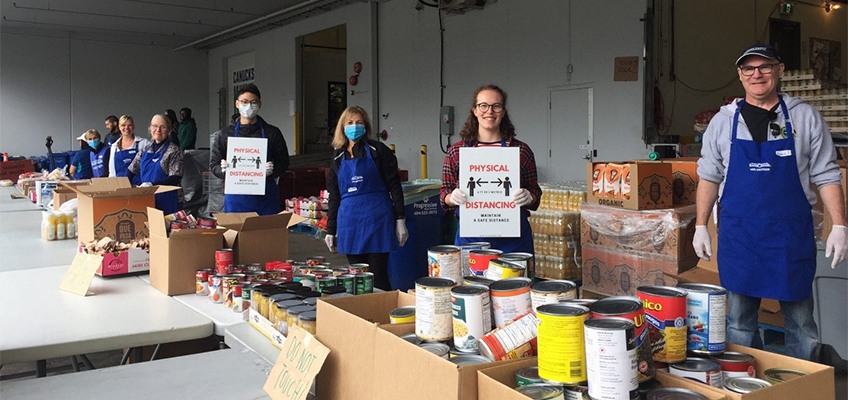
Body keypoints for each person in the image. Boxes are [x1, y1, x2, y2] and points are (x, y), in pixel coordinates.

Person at [693, 44, 848, 361]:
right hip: (740, 236)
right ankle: (749, 386)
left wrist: (840, 225)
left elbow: (827, 174)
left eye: (765, 66)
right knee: (738, 323)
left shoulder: (804, 118)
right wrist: (700, 226)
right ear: (740, 75)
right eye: (748, 68)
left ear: (780, 70)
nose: (757, 74)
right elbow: (709, 176)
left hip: (789, 236)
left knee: (802, 324)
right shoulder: (723, 123)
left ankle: (800, 386)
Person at [440, 84, 542, 254]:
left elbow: (535, 195)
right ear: (474, 110)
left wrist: (529, 196)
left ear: (503, 111)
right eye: (483, 106)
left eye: (496, 106)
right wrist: (452, 197)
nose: (489, 111)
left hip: (514, 238)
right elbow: (444, 196)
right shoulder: (457, 152)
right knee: (473, 281)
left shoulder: (521, 151)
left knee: (517, 281)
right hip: (472, 237)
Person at [324, 106, 407, 290]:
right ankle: (362, 316)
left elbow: (394, 185)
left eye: (359, 123)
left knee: (378, 276)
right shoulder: (337, 157)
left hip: (378, 220)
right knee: (357, 278)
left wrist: (400, 218)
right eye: (350, 123)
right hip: (350, 223)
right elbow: (334, 195)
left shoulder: (378, 150)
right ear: (342, 127)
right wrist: (331, 230)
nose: (355, 127)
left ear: (366, 126)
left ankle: (382, 313)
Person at [210, 84, 290, 215]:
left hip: (265, 198)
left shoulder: (272, 133)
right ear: (237, 104)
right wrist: (224, 171)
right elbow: (213, 164)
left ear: (260, 104)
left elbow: (284, 163)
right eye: (244, 102)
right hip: (236, 199)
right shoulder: (225, 134)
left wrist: (272, 171)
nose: (249, 106)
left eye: (253, 102)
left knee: (266, 234)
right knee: (237, 234)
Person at [126, 114, 183, 214]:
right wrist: (124, 189)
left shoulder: (174, 151)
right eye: (155, 126)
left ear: (169, 130)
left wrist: (152, 185)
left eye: (163, 127)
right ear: (150, 129)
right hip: (147, 199)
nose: (158, 130)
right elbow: (131, 170)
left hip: (167, 201)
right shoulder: (145, 150)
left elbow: (175, 178)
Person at [108, 115, 150, 186]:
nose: (126, 128)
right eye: (123, 125)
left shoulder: (143, 143)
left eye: (129, 125)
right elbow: (112, 171)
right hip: (120, 187)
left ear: (133, 126)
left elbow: (150, 167)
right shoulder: (114, 147)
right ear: (119, 127)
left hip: (140, 187)